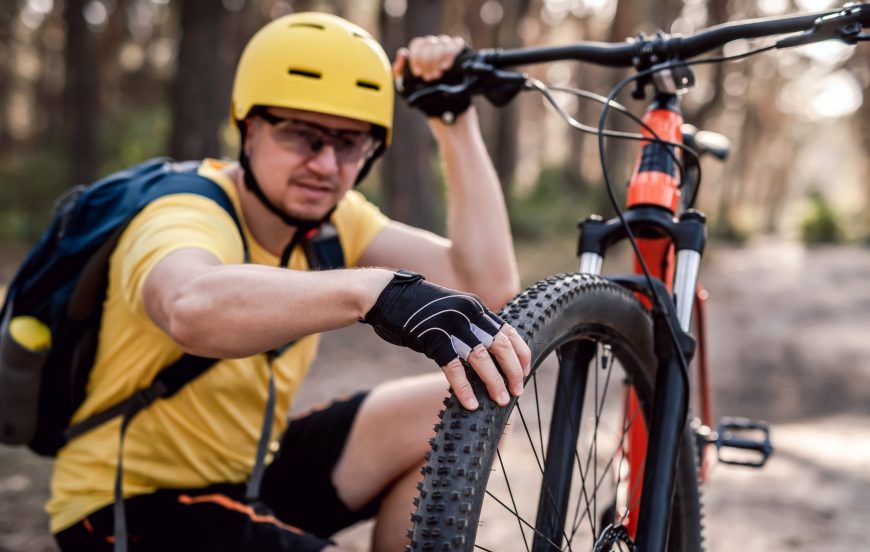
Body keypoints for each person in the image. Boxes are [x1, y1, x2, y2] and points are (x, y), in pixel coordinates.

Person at [48, 12, 529, 552]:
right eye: (301, 134)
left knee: (468, 397)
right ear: (249, 129)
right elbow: (189, 306)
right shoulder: (183, 210)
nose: (325, 165)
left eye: (350, 144)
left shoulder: (333, 219)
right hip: (128, 503)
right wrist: (371, 292)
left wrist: (452, 114)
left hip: (251, 477)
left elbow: (485, 281)